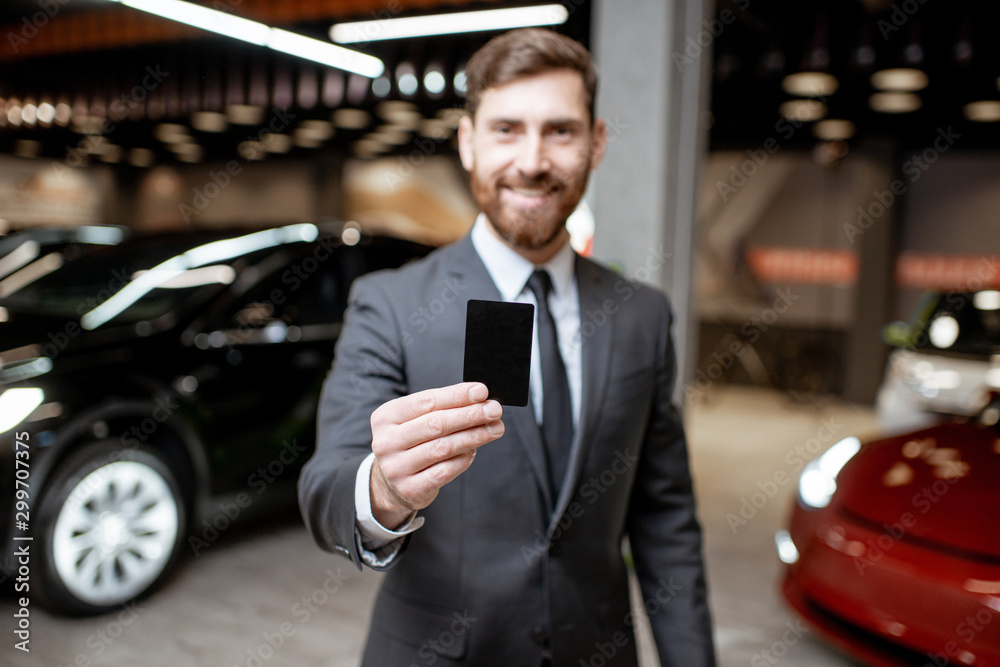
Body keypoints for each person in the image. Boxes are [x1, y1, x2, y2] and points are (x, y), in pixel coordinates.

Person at [298, 27, 716, 667]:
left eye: (560, 131)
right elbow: (325, 486)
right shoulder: (391, 303)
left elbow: (665, 518)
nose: (532, 160)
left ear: (596, 143)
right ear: (467, 143)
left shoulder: (642, 316)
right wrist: (383, 489)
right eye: (506, 129)